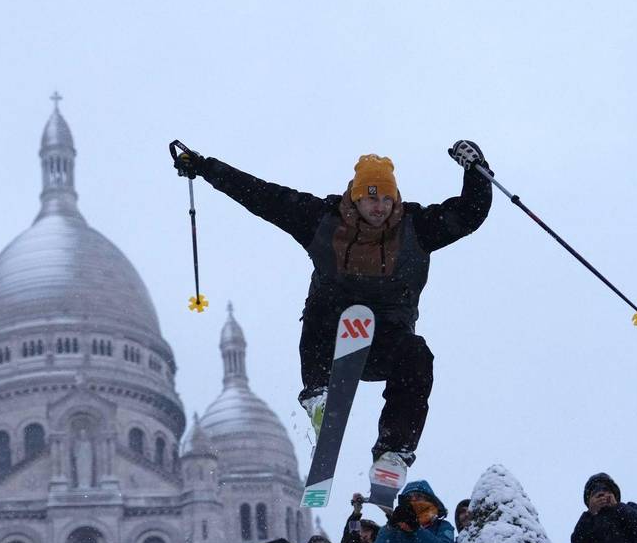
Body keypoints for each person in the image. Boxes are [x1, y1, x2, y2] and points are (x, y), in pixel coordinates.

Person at [172, 143, 492, 468]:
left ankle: (393, 452)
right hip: (332, 341)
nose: (379, 207)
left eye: (386, 199)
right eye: (371, 197)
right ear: (355, 197)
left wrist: (476, 168)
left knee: (417, 354)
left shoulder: (417, 227)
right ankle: (318, 397)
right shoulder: (322, 221)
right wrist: (205, 167)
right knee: (323, 297)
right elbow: (262, 196)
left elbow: (469, 213)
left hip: (385, 346)